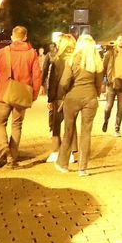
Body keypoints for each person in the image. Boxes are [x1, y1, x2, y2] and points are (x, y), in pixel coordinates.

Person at [0, 26, 42, 168]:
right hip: (22, 95)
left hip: (3, 94)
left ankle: (4, 147)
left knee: (0, 123)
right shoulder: (32, 54)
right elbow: (37, 76)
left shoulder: (2, 52)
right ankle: (12, 160)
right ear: (25, 37)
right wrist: (34, 95)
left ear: (12, 37)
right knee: (17, 125)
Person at [57, 35, 104, 176]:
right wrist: (94, 94)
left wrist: (64, 93)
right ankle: (82, 168)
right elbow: (99, 84)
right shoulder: (97, 62)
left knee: (68, 131)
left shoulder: (72, 60)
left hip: (73, 97)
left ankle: (63, 164)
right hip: (90, 98)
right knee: (86, 133)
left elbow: (65, 82)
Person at [43, 34, 77, 163]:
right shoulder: (78, 58)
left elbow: (53, 80)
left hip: (59, 95)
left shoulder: (58, 60)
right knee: (71, 124)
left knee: (56, 124)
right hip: (75, 95)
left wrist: (50, 99)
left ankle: (55, 151)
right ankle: (73, 152)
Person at [101, 34, 122, 137]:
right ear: (116, 41)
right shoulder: (109, 54)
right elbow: (103, 69)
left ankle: (117, 129)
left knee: (120, 108)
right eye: (120, 40)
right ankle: (106, 120)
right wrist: (104, 81)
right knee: (108, 107)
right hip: (111, 84)